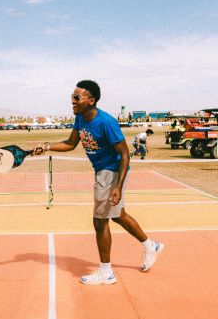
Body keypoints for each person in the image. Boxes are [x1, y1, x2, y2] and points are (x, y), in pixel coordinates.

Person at [33, 80, 164, 285]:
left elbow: (125, 153)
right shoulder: (80, 118)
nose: (73, 101)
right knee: (118, 215)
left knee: (99, 220)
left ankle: (106, 272)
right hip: (103, 171)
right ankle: (151, 246)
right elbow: (70, 143)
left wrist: (118, 186)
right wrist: (47, 146)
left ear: (91, 100)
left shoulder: (106, 122)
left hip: (111, 171)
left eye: (77, 98)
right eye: (72, 97)